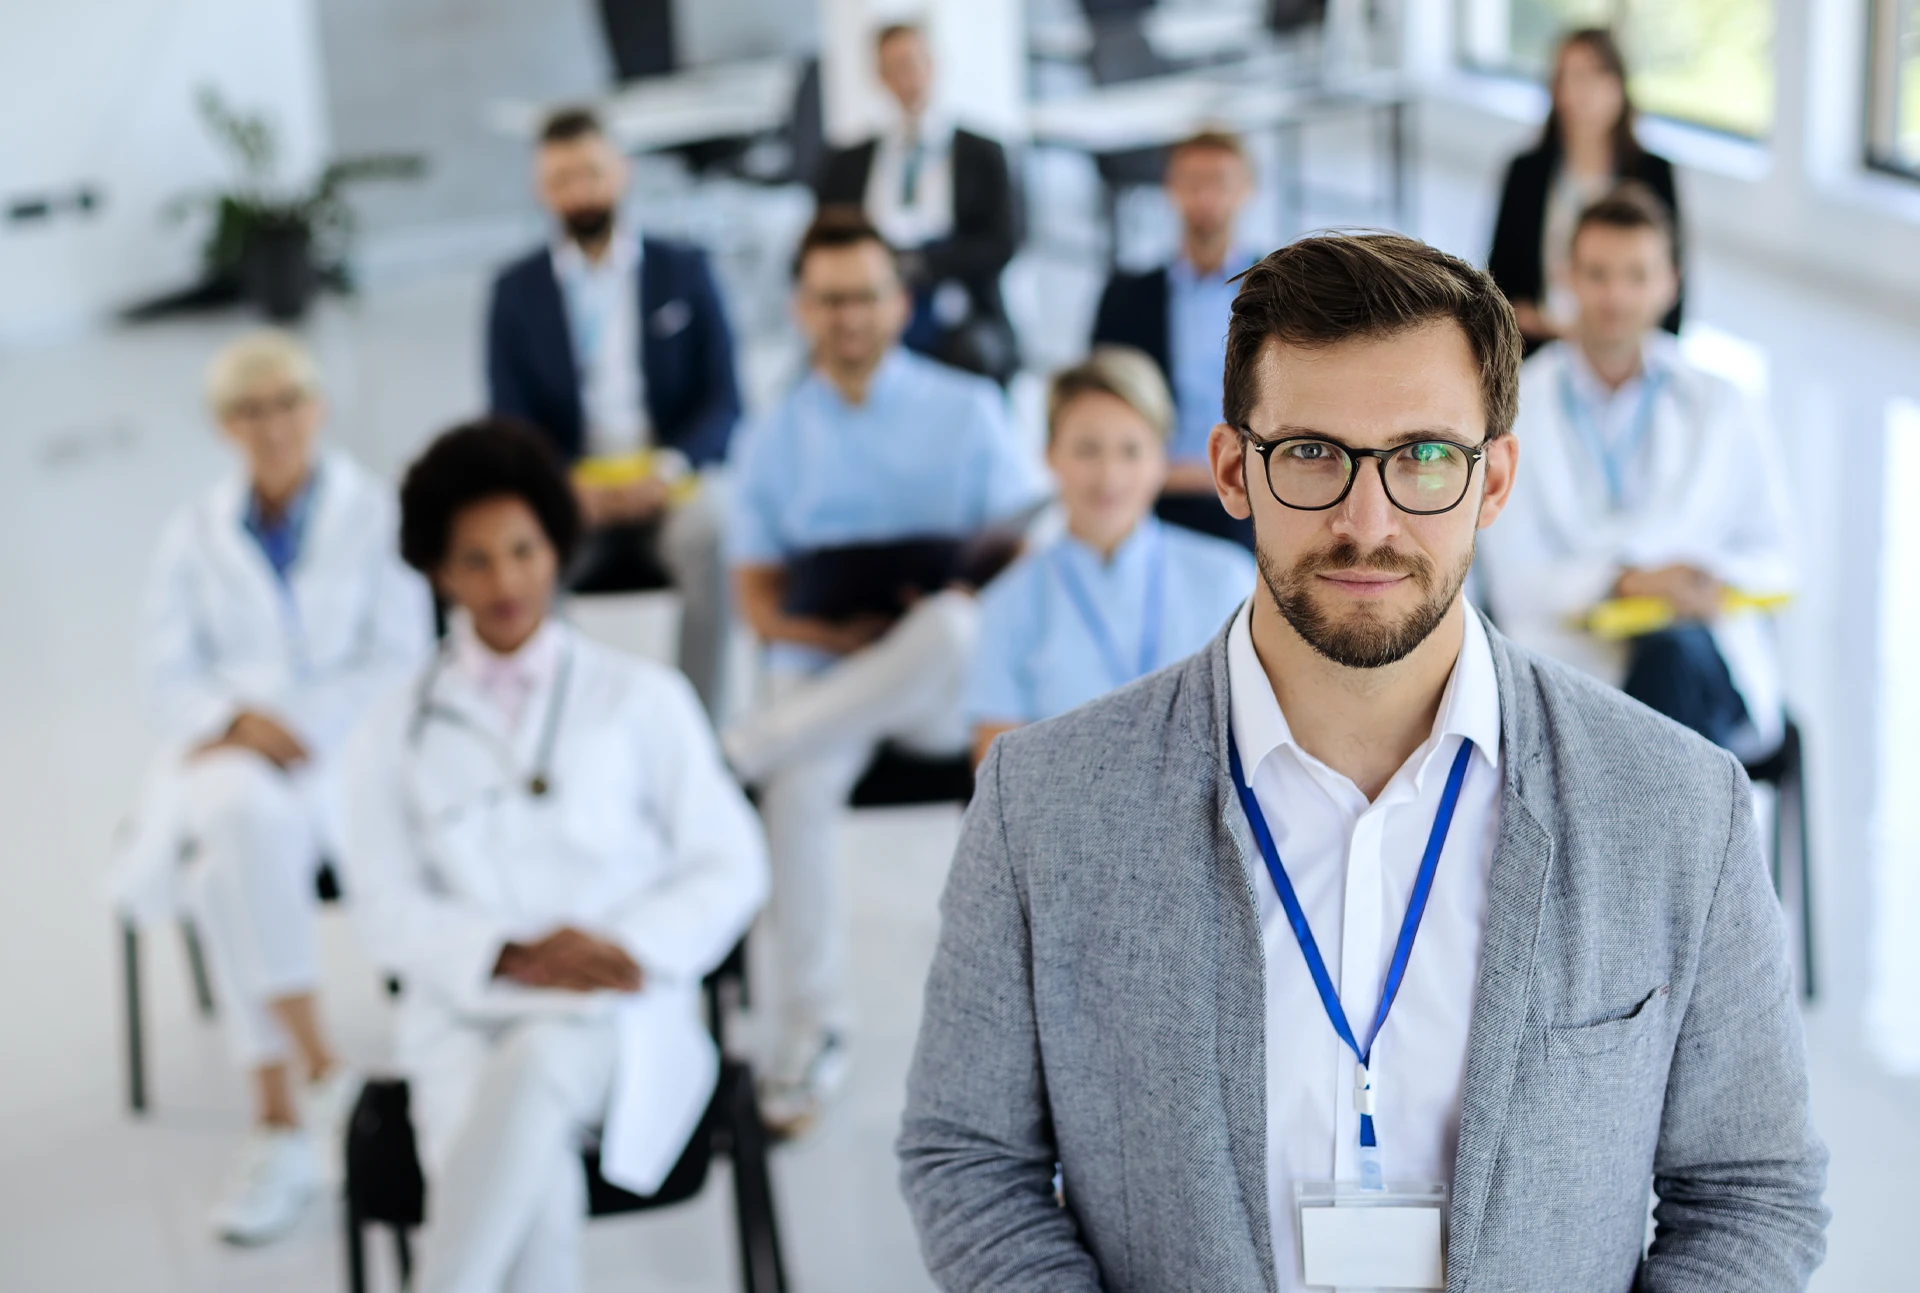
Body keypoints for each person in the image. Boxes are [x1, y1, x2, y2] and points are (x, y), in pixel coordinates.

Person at [899, 232, 1827, 1290]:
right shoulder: (1043, 805)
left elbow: (1754, 1189)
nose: (1367, 521)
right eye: (1311, 453)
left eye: (1425, 456)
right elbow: (970, 1159)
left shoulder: (1679, 807)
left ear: (1495, 479)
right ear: (1231, 472)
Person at [340, 420, 767, 1293]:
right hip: (466, 1013)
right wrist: (509, 953)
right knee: (527, 1182)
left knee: (537, 1066)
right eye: (475, 559)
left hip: (619, 1005)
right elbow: (382, 902)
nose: (504, 581)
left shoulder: (642, 696)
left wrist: (626, 946)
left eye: (523, 550)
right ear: (435, 568)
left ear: (557, 548)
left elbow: (733, 859)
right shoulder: (391, 729)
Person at [724, 211, 1047, 1135]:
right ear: (800, 310)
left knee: (947, 623)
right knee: (797, 785)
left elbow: (1025, 551)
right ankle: (812, 1028)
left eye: (865, 294)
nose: (849, 315)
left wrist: (928, 606)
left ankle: (740, 746)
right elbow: (756, 598)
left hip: (936, 682)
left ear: (899, 304)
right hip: (828, 677)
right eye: (828, 299)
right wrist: (840, 631)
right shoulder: (772, 434)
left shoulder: (969, 407)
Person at [108, 331, 433, 1244]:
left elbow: (401, 654)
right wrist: (238, 721)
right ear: (225, 427)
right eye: (250, 410)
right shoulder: (192, 532)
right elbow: (164, 672)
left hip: (345, 751)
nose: (273, 424)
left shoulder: (375, 513)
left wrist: (306, 725)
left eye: (288, 401)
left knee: (222, 869)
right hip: (234, 749)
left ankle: (281, 1114)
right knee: (233, 806)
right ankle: (323, 1071)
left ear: (318, 407)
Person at [1477, 185, 1792, 760]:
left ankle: (1645, 838)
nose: (1616, 296)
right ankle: (1688, 842)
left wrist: (1701, 580)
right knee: (1658, 713)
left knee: (1672, 661)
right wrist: (1627, 581)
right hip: (1571, 666)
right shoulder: (1513, 406)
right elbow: (1512, 580)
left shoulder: (1723, 404)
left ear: (1670, 282)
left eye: (1637, 276)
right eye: (1598, 274)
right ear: (1565, 276)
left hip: (1704, 667)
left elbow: (1776, 556)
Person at [486, 107, 741, 719]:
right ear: (541, 189)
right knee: (521, 560)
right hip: (572, 486)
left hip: (667, 477)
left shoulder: (684, 268)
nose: (580, 193)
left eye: (591, 174)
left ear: (621, 172)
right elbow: (508, 414)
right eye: (562, 180)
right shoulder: (516, 292)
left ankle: (696, 723)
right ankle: (558, 721)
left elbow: (725, 397)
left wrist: (670, 468)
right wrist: (564, 483)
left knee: (713, 535)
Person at [967, 346, 1253, 765]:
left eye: (1131, 451)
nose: (1108, 476)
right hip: (1065, 827)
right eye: (1087, 450)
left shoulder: (1228, 579)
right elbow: (998, 779)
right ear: (1048, 456)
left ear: (1161, 459)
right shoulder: (1006, 604)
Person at [815, 22, 1020, 384]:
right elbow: (824, 239)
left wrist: (925, 263)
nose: (905, 77)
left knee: (969, 358)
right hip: (871, 301)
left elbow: (1005, 240)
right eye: (892, 67)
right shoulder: (848, 161)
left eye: (911, 63)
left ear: (933, 65)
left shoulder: (983, 153)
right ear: (879, 76)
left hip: (955, 300)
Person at [1091, 130, 1259, 547]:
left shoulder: (1282, 292)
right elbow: (1101, 398)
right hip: (1152, 491)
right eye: (1192, 182)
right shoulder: (1125, 296)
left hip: (1253, 490)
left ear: (1246, 190)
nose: (1205, 197)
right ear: (1170, 189)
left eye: (1219, 182)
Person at [1489, 27, 1682, 355]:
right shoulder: (1525, 172)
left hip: (1628, 348)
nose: (1585, 93)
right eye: (1572, 77)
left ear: (1620, 86)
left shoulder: (1655, 173)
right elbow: (1496, 286)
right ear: (1555, 89)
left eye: (1597, 76)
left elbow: (1671, 286)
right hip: (1540, 345)